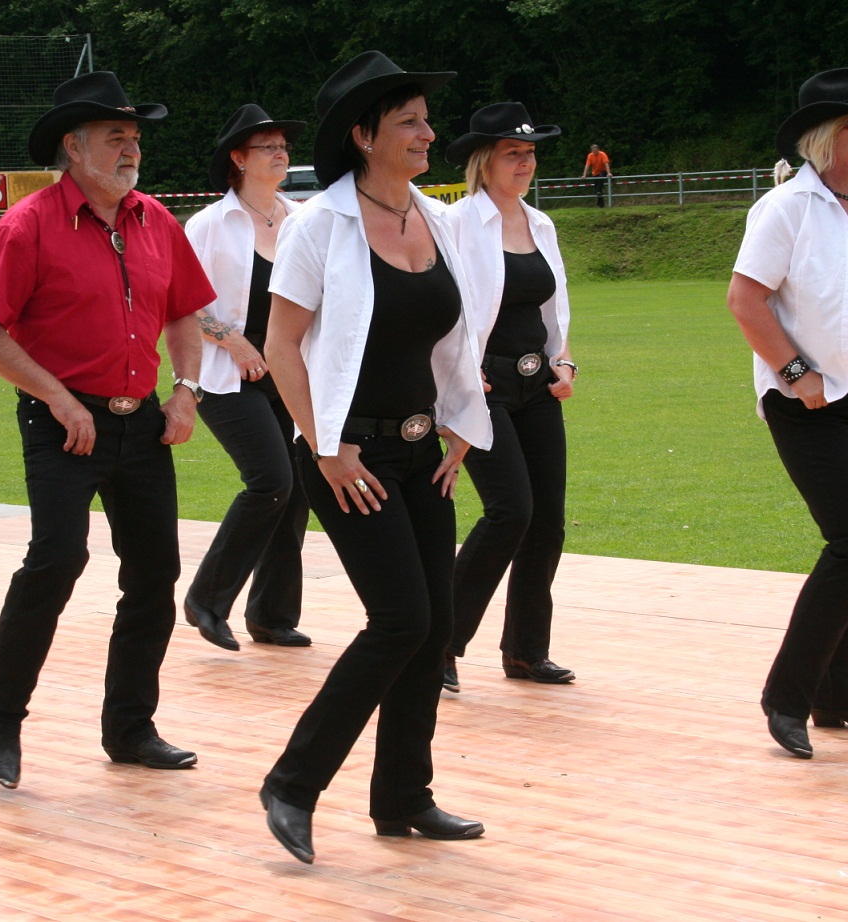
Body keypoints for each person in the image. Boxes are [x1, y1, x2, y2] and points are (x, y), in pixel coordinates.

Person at [258, 51, 493, 865]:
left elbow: (450, 337)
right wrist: (326, 448)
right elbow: (280, 346)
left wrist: (460, 422)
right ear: (363, 136)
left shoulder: (439, 219)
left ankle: (402, 798)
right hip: (350, 456)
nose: (428, 133)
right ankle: (292, 784)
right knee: (400, 621)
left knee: (434, 628)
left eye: (426, 119)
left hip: (423, 450)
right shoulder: (318, 226)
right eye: (408, 121)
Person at [0, 72, 215, 789]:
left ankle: (130, 729)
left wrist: (186, 390)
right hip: (61, 425)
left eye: (134, 137)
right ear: (73, 148)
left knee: (155, 575)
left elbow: (185, 312)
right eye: (115, 137)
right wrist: (60, 398)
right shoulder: (26, 225)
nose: (131, 148)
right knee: (57, 560)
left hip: (143, 427)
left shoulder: (156, 220)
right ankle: (1, 716)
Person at [727, 68, 848, 759]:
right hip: (815, 407)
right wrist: (794, 372)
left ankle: (840, 693)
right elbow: (745, 299)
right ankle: (788, 697)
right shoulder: (787, 209)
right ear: (824, 138)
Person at [442, 103, 576, 694]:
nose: (525, 163)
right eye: (512, 153)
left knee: (547, 522)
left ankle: (525, 651)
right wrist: (458, 375)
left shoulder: (540, 224)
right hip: (483, 386)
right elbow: (443, 306)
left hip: (537, 385)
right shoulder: (456, 223)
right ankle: (439, 644)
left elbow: (553, 306)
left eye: (530, 153)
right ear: (484, 161)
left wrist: (563, 360)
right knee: (510, 512)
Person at [181, 104, 311, 651]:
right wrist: (232, 340)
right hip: (227, 375)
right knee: (271, 480)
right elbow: (180, 300)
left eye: (283, 145)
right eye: (268, 147)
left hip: (292, 372)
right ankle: (206, 600)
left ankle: (273, 617)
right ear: (238, 158)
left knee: (297, 490)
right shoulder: (209, 224)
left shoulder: (303, 219)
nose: (281, 153)